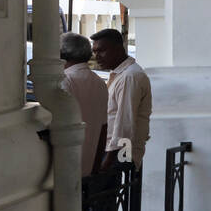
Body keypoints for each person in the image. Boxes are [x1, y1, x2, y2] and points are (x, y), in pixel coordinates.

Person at [91, 29, 152, 172]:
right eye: (95, 52)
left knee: (106, 193)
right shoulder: (121, 74)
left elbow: (125, 122)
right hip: (111, 150)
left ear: (118, 49)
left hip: (118, 153)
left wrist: (108, 161)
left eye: (102, 51)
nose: (97, 56)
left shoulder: (130, 76)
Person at [60, 33, 108, 176]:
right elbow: (103, 129)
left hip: (65, 166)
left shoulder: (66, 80)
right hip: (88, 165)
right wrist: (96, 166)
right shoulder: (99, 83)